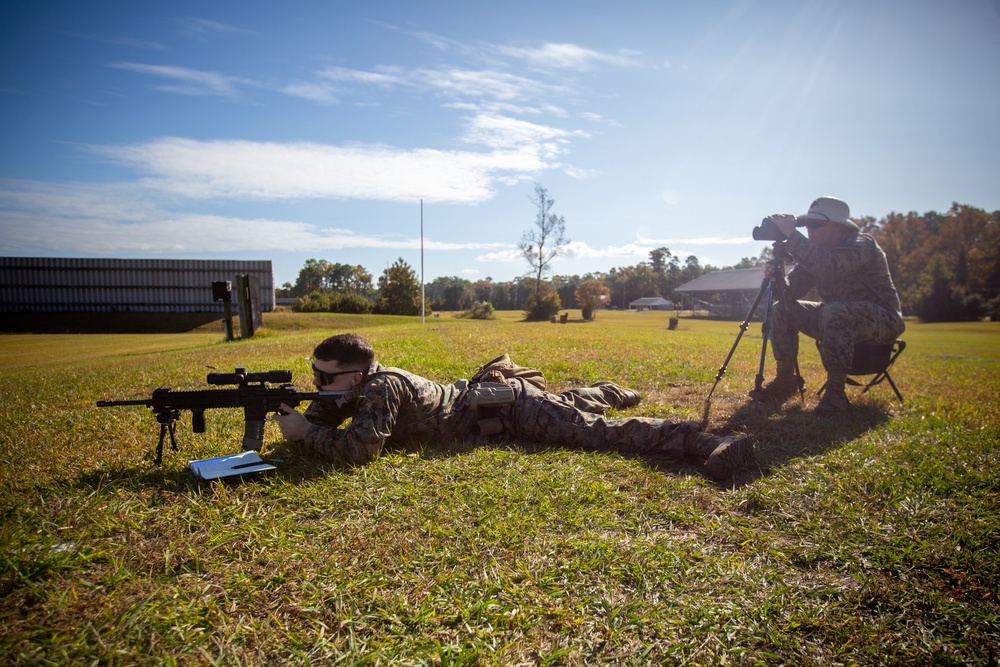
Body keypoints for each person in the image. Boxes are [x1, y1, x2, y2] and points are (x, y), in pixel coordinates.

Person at [275, 333, 756, 481]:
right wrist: (301, 409)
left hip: (508, 409)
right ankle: (602, 389)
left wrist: (305, 435)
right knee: (570, 406)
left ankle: (706, 441)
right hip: (490, 410)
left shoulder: (381, 388)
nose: (317, 383)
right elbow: (323, 415)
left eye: (324, 376)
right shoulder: (353, 389)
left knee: (595, 433)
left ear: (356, 376)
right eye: (314, 374)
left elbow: (359, 451)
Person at [753, 196, 905, 416]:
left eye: (816, 224)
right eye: (806, 225)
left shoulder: (862, 244)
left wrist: (792, 236)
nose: (809, 230)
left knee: (834, 310)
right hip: (838, 316)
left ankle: (835, 395)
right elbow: (790, 293)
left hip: (884, 318)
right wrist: (777, 278)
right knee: (781, 308)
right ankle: (786, 380)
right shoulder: (816, 254)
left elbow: (830, 267)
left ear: (839, 226)